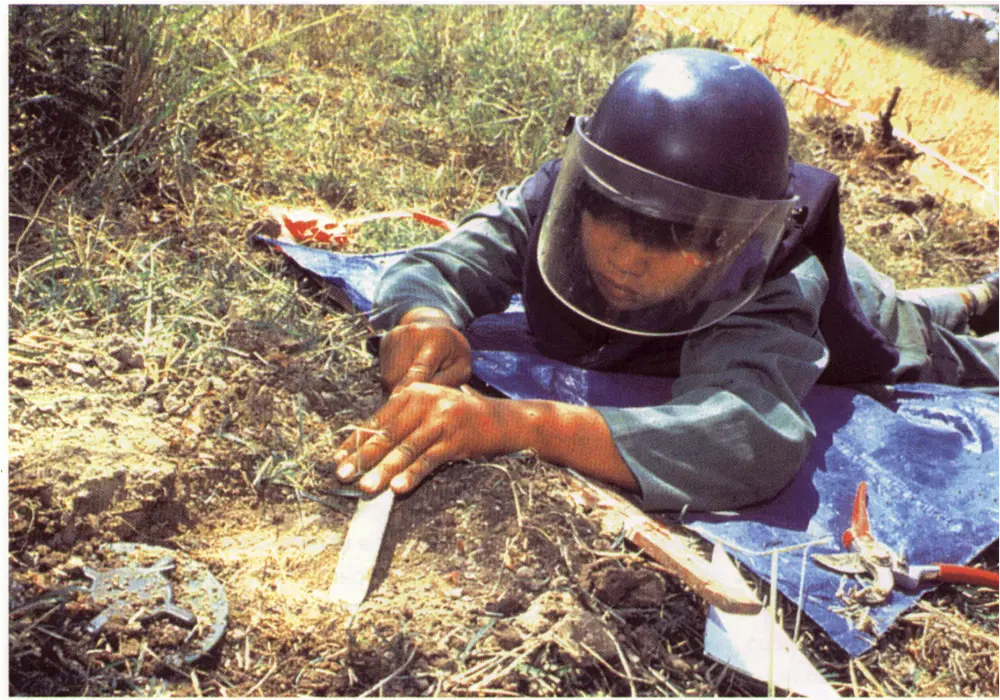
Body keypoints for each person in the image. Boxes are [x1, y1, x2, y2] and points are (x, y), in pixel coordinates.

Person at [332, 48, 1000, 512]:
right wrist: (422, 319)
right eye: (613, 220)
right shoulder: (571, 187)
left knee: (945, 349)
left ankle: (980, 301)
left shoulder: (774, 277)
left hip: (857, 308)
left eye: (676, 239)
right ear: (587, 184)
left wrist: (520, 424)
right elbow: (442, 262)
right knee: (945, 304)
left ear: (737, 241)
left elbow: (750, 437)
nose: (626, 258)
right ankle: (977, 294)